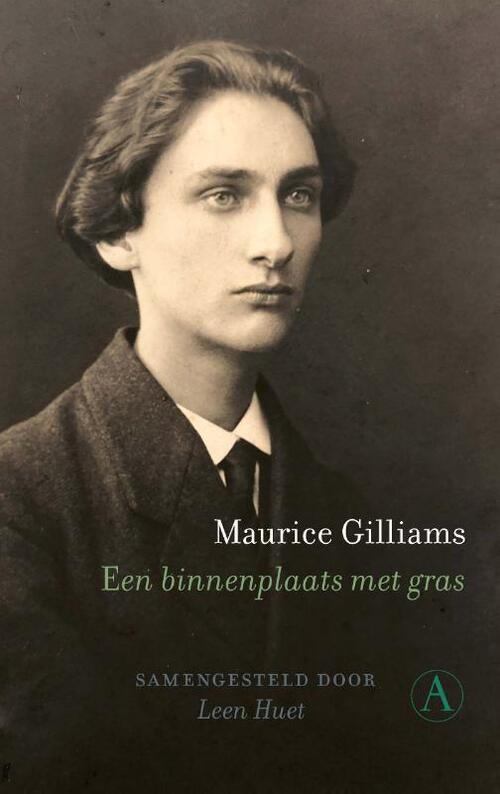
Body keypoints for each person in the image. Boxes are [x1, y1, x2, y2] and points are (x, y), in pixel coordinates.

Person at [0, 40, 368, 792]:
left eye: (298, 195)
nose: (275, 244)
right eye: (224, 195)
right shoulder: (20, 502)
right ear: (117, 232)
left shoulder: (342, 511)